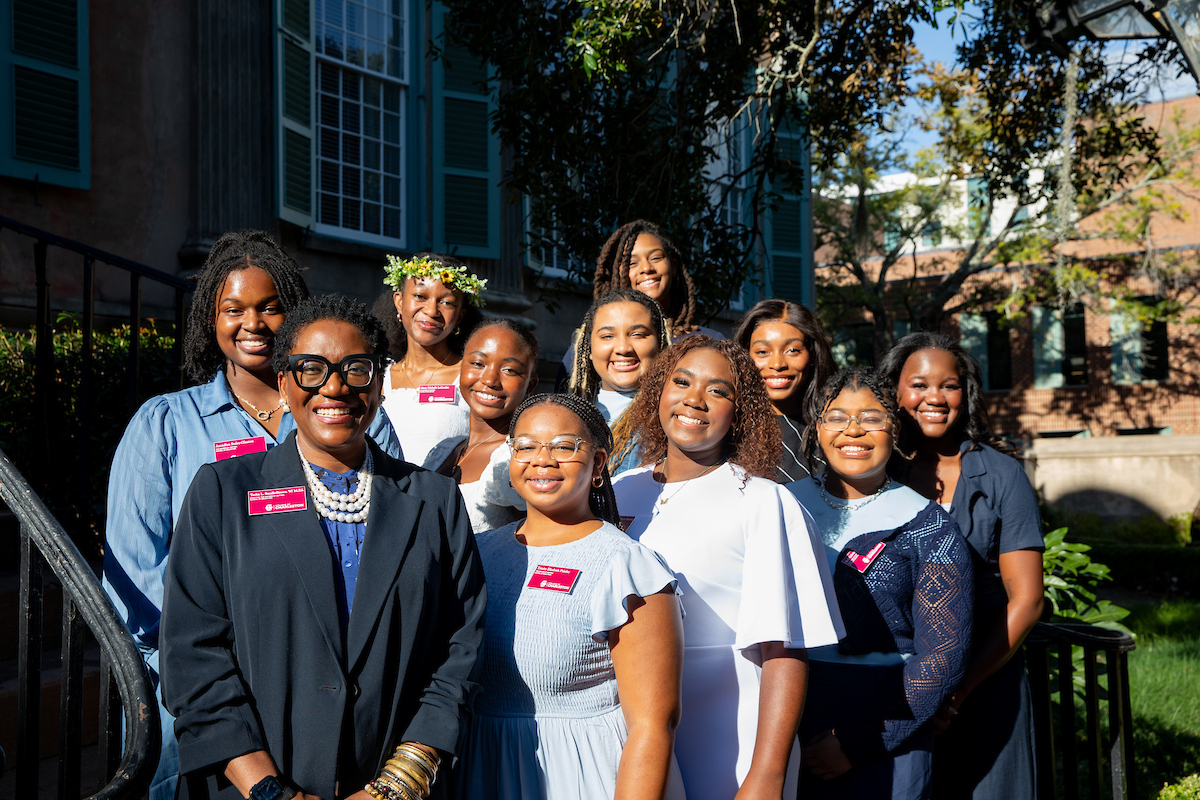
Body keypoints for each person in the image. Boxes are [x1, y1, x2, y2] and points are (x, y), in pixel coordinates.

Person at [102, 230, 402, 800]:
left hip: (326, 681)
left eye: (271, 307)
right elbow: (134, 570)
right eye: (232, 308)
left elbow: (389, 543)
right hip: (193, 687)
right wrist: (207, 663)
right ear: (208, 320)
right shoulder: (165, 424)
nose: (253, 323)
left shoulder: (349, 415)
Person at [160, 294, 486, 800]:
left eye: (355, 369)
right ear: (285, 381)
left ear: (378, 384)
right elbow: (194, 656)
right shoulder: (222, 492)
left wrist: (395, 787)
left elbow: (459, 651)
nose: (334, 387)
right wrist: (269, 790)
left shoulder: (434, 501)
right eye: (311, 369)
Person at [612, 336, 844, 800]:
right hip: (625, 729)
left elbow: (785, 652)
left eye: (718, 391)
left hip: (731, 733)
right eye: (681, 381)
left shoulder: (763, 500)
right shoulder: (620, 490)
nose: (694, 399)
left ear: (740, 413)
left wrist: (766, 775)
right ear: (658, 390)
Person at [456, 393, 687, 800]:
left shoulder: (626, 567)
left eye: (564, 446)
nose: (541, 459)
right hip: (480, 771)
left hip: (581, 777)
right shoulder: (476, 552)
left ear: (598, 464)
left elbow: (654, 725)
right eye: (525, 446)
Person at [786, 368, 974, 800]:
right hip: (789, 707)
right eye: (836, 418)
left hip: (889, 718)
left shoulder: (929, 526)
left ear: (895, 431)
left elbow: (944, 655)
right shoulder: (782, 506)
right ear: (817, 429)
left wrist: (858, 742)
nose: (853, 430)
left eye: (872, 418)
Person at [879, 333, 1045, 800]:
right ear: (894, 392)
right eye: (918, 384)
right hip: (895, 688)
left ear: (964, 394)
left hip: (983, 681)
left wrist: (957, 690)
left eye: (948, 386)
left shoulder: (1001, 474)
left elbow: (1028, 600)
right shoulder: (876, 473)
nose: (934, 397)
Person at [556, 220, 721, 388]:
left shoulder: (708, 342)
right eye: (632, 263)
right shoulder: (587, 349)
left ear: (673, 266)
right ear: (617, 272)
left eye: (656, 258)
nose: (646, 268)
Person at [423, 319, 540, 533]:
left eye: (510, 370)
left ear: (530, 384)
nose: (490, 379)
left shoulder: (517, 459)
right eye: (478, 364)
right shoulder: (444, 450)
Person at [376, 252, 485, 465]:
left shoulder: (473, 377)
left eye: (446, 302)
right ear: (399, 301)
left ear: (460, 315)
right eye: (420, 296)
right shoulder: (378, 377)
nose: (432, 310)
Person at [567, 289, 670, 475]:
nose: (623, 348)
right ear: (590, 348)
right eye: (607, 336)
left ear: (659, 345)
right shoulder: (565, 419)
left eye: (638, 334)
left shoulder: (672, 422)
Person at [734, 299, 836, 483]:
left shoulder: (835, 428)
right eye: (763, 352)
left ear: (812, 355)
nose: (777, 364)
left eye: (792, 350)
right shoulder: (728, 429)